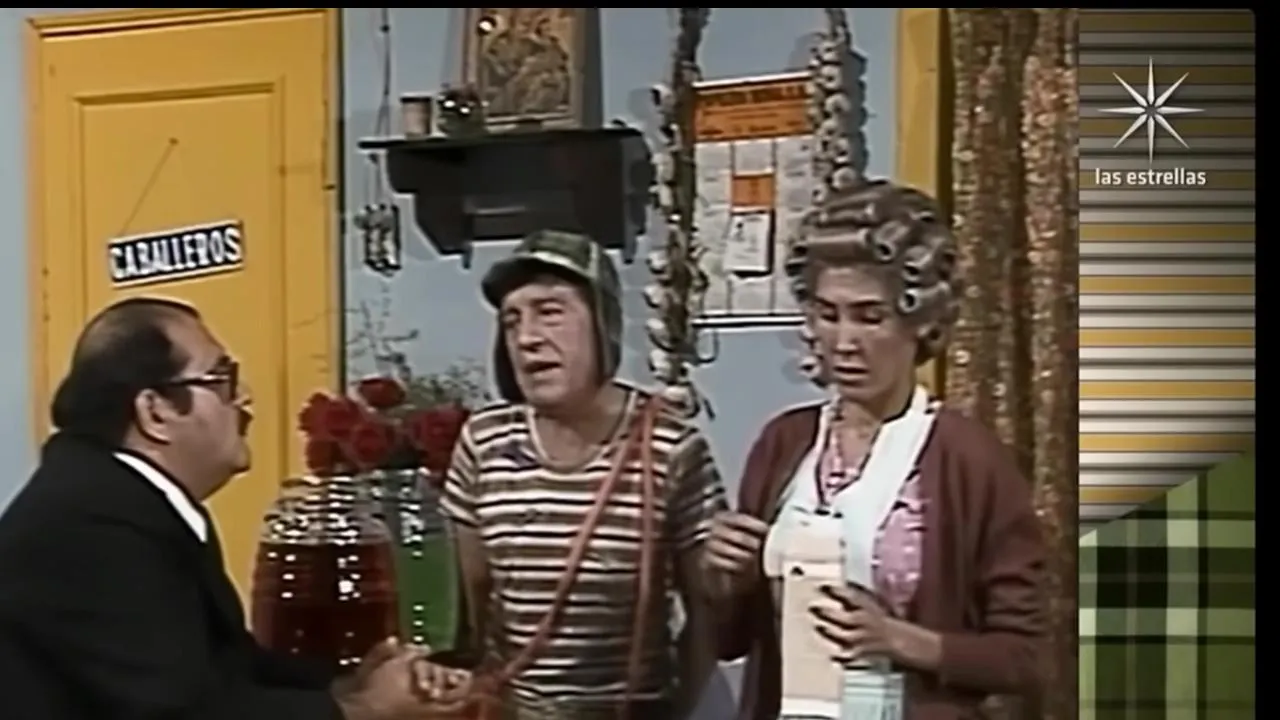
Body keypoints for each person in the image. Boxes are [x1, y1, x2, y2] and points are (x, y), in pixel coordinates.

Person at [0, 297, 466, 719]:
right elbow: (177, 712)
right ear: (156, 412)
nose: (243, 400)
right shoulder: (90, 526)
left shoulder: (123, 500)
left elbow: (229, 671)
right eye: (221, 380)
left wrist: (351, 682)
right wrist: (363, 710)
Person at [700, 182, 1047, 720]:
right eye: (828, 314)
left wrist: (900, 640)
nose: (844, 342)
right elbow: (730, 642)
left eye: (869, 316)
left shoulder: (969, 460)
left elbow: (1026, 657)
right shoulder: (784, 444)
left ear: (920, 322)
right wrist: (725, 579)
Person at [438, 230, 729, 718]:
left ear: (602, 322)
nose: (527, 338)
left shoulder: (671, 446)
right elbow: (472, 608)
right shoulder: (485, 441)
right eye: (512, 321)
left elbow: (706, 613)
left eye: (550, 312)